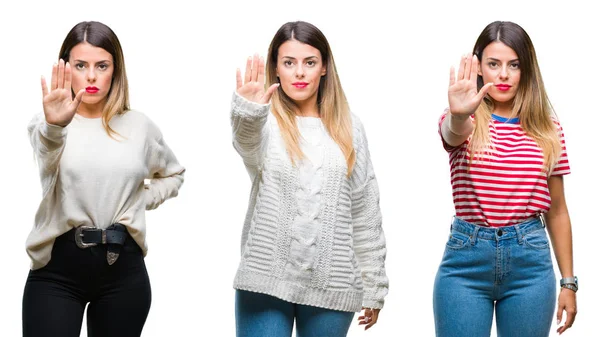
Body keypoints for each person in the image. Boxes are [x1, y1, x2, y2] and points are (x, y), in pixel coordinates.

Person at [23, 21, 185, 337]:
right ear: (66, 68)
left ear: (116, 70)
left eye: (102, 65)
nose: (92, 76)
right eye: (80, 65)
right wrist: (55, 126)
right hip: (57, 271)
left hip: (123, 272)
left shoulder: (139, 127)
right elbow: (46, 165)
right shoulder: (47, 125)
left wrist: (139, 199)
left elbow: (174, 174)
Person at [230, 21, 388, 337]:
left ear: (324, 68)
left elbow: (364, 210)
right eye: (289, 63)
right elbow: (246, 144)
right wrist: (248, 111)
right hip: (266, 280)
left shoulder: (350, 128)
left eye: (309, 62)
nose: (299, 73)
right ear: (276, 68)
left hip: (333, 284)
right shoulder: (265, 120)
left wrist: (374, 283)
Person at [433, 21, 577, 337]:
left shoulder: (548, 129)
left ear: (526, 70)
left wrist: (569, 282)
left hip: (530, 265)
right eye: (494, 64)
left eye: (514, 65)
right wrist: (459, 114)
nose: (503, 74)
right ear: (480, 68)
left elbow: (557, 210)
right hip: (466, 264)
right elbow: (452, 134)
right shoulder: (463, 118)